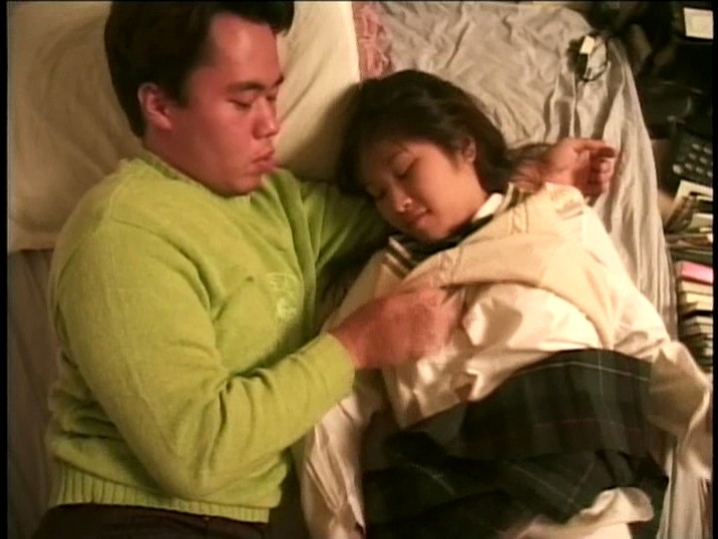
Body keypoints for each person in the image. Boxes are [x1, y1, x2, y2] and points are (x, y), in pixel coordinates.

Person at [33, 4, 616, 538]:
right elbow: (196, 454)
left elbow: (422, 208)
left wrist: (526, 171)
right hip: (133, 521)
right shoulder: (122, 231)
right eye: (243, 102)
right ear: (159, 105)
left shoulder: (281, 204)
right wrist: (357, 345)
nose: (271, 124)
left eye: (274, 96)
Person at [299, 70, 713, 539]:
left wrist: (703, 416)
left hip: (574, 482)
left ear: (464, 146)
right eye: (377, 194)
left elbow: (639, 342)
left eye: (405, 171)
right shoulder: (388, 274)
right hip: (455, 500)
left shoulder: (557, 217)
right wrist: (338, 528)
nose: (397, 203)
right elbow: (332, 405)